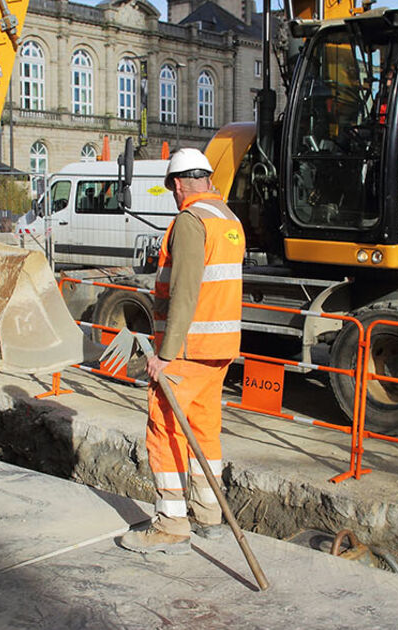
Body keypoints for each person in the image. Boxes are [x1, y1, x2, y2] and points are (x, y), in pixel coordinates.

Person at [119, 148, 246, 555]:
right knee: (205, 429)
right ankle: (209, 515)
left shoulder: (191, 221)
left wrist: (166, 353)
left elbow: (185, 291)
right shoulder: (229, 220)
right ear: (207, 179)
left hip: (189, 350)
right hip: (220, 347)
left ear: (176, 185)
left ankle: (172, 521)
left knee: (164, 427)